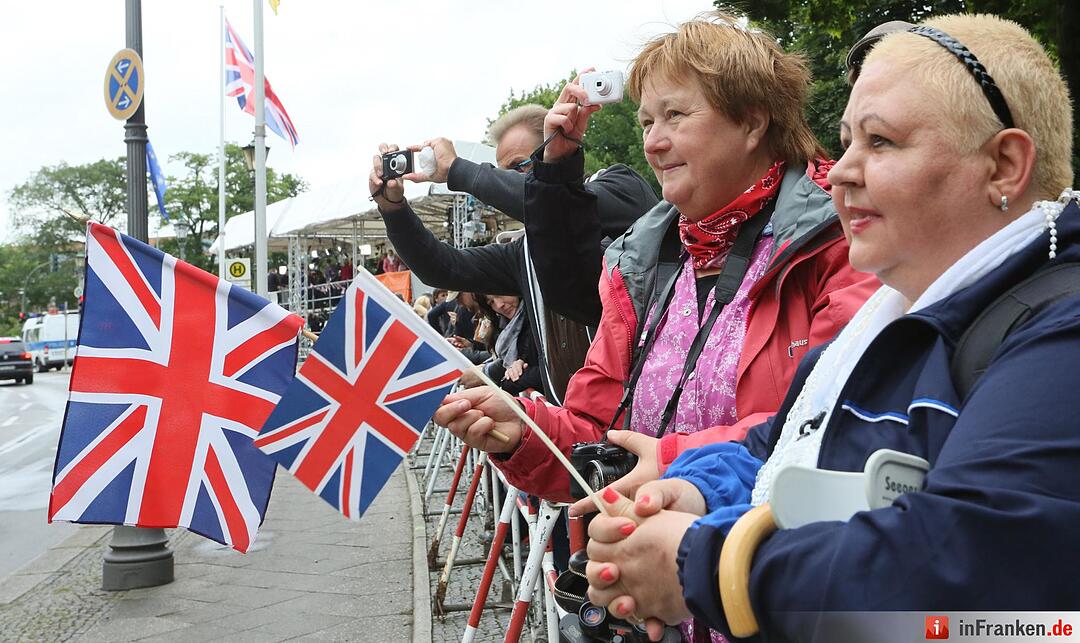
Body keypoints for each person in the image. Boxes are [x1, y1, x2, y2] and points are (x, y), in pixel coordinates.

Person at [582, 14, 1080, 642]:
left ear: (1004, 165)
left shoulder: (1061, 335)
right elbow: (777, 445)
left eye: (881, 142)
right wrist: (693, 495)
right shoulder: (886, 320)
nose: (842, 169)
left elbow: (973, 578)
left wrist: (705, 564)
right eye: (846, 140)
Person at [435, 13, 877, 504]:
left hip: (770, 568)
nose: (652, 141)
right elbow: (595, 433)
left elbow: (840, 421)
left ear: (752, 122)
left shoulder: (845, 237)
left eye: (675, 116)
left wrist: (671, 466)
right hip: (647, 569)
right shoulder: (639, 264)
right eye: (647, 121)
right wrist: (522, 431)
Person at [368, 105, 658, 402]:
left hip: (643, 416)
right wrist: (393, 208)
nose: (505, 183)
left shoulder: (620, 185)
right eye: (502, 173)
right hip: (573, 428)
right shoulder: (525, 251)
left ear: (560, 147)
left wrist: (458, 170)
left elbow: (561, 208)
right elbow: (442, 267)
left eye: (519, 167)